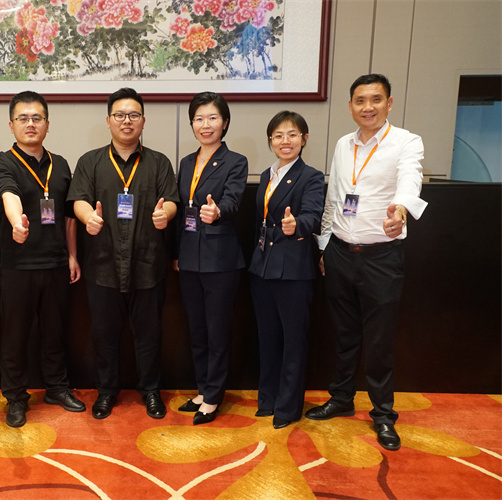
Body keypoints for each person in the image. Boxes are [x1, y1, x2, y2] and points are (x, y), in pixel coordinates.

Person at [305, 74, 427, 451]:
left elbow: (411, 179)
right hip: (340, 253)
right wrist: (324, 246)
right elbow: (335, 197)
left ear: (389, 103)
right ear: (350, 106)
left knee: (379, 341)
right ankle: (341, 399)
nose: (367, 107)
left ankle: (383, 414)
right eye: (360, 100)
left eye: (375, 99)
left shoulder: (406, 141)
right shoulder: (344, 144)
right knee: (343, 335)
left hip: (381, 257)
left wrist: (401, 211)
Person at [68, 87, 179, 420]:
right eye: (119, 115)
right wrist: (88, 218)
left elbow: (172, 200)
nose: (126, 121)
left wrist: (165, 214)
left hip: (147, 263)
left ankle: (151, 391)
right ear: (108, 121)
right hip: (103, 263)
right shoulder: (90, 161)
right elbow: (78, 200)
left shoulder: (159, 162)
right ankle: (106, 391)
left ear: (143, 121)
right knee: (104, 334)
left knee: (149, 334)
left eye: (133, 115)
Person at [0, 91, 86, 428]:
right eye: (23, 118)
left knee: (55, 333)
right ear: (11, 125)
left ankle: (57, 388)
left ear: (47, 124)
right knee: (15, 337)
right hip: (19, 265)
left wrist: (72, 255)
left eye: (37, 118)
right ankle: (16, 397)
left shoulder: (61, 165)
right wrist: (17, 223)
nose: (30, 124)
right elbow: (8, 194)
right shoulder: (3, 163)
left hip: (56, 264)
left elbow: (68, 216)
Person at [172, 92, 248, 425]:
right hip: (189, 258)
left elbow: (233, 200)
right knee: (197, 330)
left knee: (217, 332)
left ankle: (214, 395)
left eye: (213, 118)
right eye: (199, 118)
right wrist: (176, 253)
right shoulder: (186, 162)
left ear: (225, 123)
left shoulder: (235, 161)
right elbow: (181, 211)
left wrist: (217, 212)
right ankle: (203, 389)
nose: (206, 125)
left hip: (220, 260)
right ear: (192, 123)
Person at [249, 111, 324, 429]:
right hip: (262, 268)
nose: (285, 141)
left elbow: (313, 215)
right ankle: (267, 399)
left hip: (293, 270)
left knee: (293, 340)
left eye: (292, 134)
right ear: (271, 141)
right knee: (267, 338)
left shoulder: (311, 176)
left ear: (304, 139)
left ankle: (288, 406)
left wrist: (297, 225)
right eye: (278, 135)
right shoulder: (268, 175)